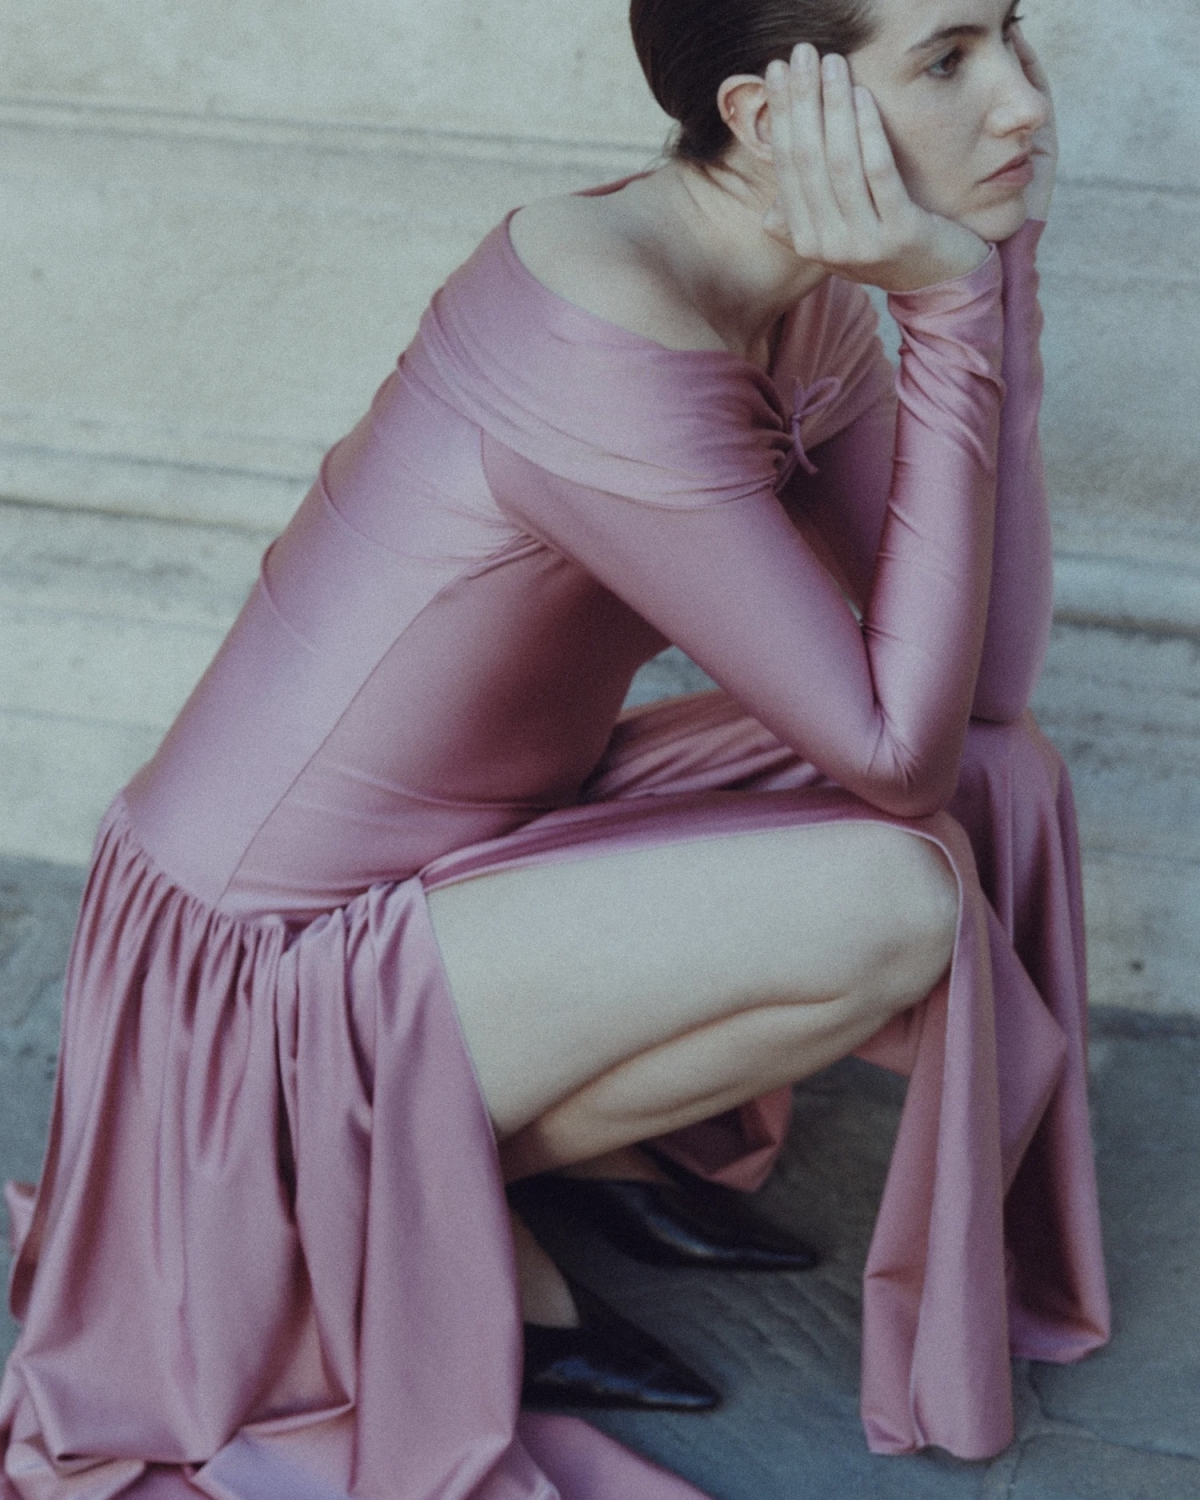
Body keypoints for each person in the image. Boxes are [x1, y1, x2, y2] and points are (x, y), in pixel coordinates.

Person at [0, 0, 1111, 1494]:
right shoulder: (605, 329)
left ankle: (496, 1167)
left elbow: (982, 695)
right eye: (949, 59)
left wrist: (994, 283)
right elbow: (893, 753)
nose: (1024, 102)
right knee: (898, 897)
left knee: (1009, 776)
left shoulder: (790, 290)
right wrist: (952, 317)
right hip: (260, 977)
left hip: (476, 849)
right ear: (770, 117)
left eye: (1012, 36)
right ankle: (371, 1211)